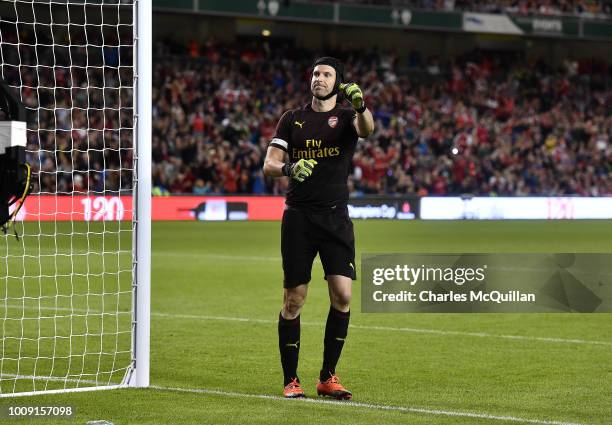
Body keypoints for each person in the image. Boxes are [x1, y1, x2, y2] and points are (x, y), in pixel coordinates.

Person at [262, 57, 374, 399]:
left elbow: (367, 130)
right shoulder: (292, 119)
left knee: (342, 295)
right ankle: (290, 380)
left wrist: (362, 105)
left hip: (335, 218)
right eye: (315, 73)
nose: (319, 79)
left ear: (337, 82)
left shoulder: (345, 117)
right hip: (298, 218)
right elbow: (269, 164)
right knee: (294, 299)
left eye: (326, 74)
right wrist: (289, 169)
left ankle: (327, 377)